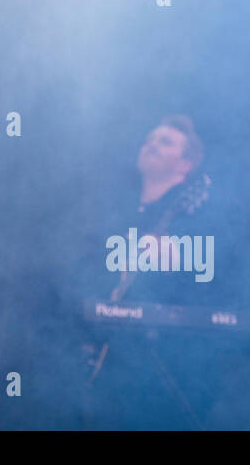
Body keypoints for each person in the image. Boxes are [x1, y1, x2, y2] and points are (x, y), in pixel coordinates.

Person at [81, 115, 221, 429]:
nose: (152, 144)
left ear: (185, 165)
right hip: (104, 364)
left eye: (166, 141)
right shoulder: (118, 211)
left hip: (157, 373)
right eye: (151, 138)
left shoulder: (190, 215)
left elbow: (205, 286)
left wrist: (175, 256)